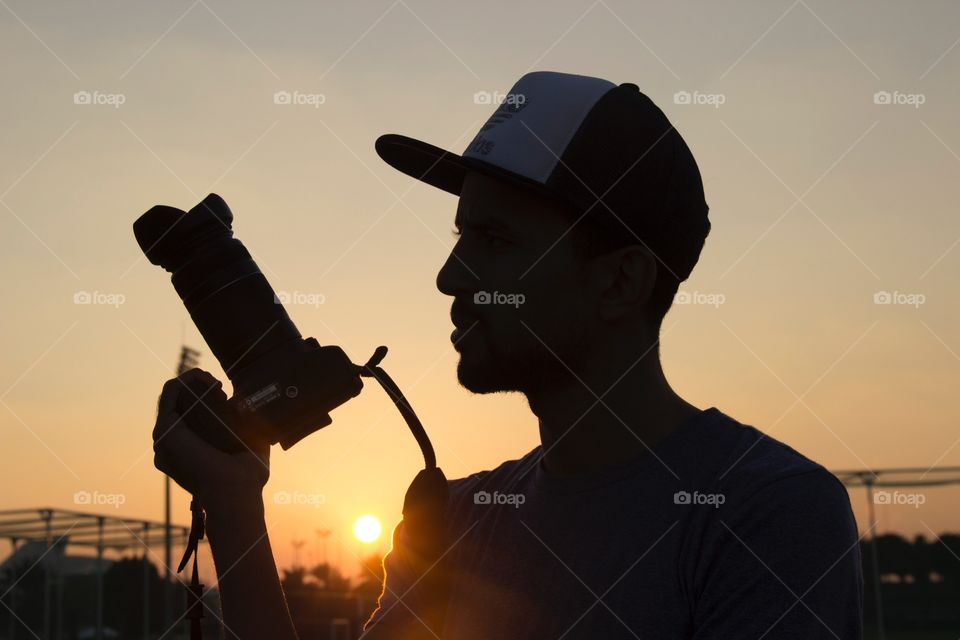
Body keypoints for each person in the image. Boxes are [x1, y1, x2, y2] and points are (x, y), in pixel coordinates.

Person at [154, 70, 863, 639]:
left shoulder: (766, 515)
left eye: (493, 241)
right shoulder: (457, 520)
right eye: (461, 237)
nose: (449, 276)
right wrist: (233, 503)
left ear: (620, 280)